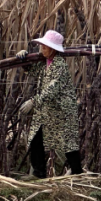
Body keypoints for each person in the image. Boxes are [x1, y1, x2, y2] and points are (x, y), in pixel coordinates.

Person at [18, 30, 83, 179]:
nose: (42, 48)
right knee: (36, 137)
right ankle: (39, 173)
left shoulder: (59, 65)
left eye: (45, 46)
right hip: (50, 110)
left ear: (53, 49)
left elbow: (52, 88)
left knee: (68, 142)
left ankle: (77, 172)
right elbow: (33, 71)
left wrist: (33, 101)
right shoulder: (46, 64)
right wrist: (23, 60)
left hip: (63, 110)